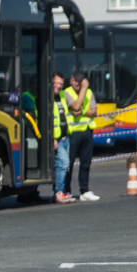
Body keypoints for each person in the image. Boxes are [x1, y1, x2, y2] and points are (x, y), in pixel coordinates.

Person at [63, 70, 100, 202]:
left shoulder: (89, 92)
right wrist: (84, 88)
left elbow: (94, 111)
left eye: (80, 80)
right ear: (71, 81)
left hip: (87, 131)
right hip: (73, 132)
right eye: (76, 80)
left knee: (86, 163)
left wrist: (83, 112)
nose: (78, 83)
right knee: (69, 164)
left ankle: (84, 191)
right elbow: (75, 106)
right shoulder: (67, 92)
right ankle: (66, 190)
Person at [51, 72, 75, 204]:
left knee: (65, 166)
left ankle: (61, 191)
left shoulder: (61, 95)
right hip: (56, 138)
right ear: (51, 83)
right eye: (56, 83)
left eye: (61, 83)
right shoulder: (48, 98)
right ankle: (59, 192)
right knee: (64, 163)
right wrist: (52, 138)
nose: (59, 86)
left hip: (66, 137)